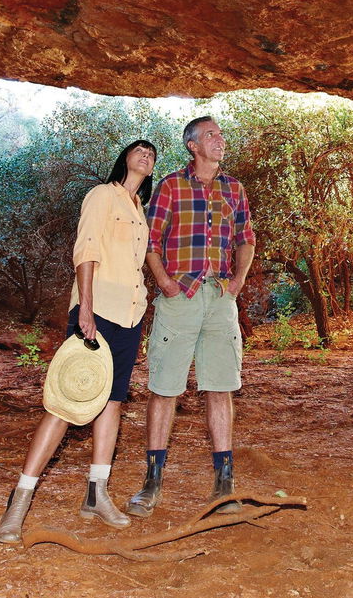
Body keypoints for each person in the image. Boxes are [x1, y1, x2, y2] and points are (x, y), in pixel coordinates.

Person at [0, 139, 157, 543]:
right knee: (67, 401)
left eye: (152, 154)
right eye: (138, 150)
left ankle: (97, 494)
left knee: (112, 402)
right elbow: (86, 249)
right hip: (97, 310)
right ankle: (19, 502)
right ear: (124, 158)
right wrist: (85, 306)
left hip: (131, 314)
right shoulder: (102, 195)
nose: (146, 155)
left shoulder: (142, 211)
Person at [127, 116, 256, 516]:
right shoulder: (169, 186)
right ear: (192, 146)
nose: (220, 140)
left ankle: (224, 484)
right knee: (165, 388)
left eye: (221, 134)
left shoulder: (234, 188)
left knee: (220, 387)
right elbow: (150, 241)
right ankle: (152, 482)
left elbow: (246, 239)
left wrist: (236, 282)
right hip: (179, 298)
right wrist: (165, 282)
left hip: (219, 299)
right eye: (211, 136)